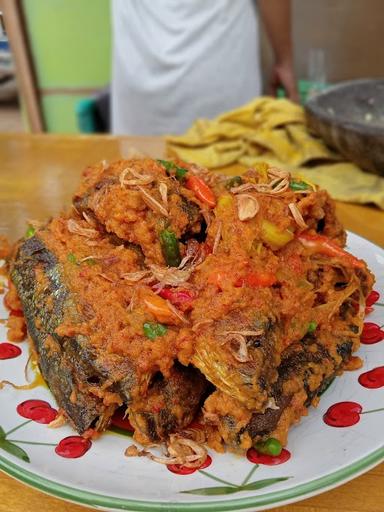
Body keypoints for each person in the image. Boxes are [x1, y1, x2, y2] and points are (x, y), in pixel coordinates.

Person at [112, 0, 298, 136]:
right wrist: (284, 62)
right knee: (231, 182)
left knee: (133, 178)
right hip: (218, 71)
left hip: (140, 73)